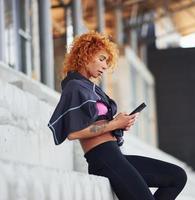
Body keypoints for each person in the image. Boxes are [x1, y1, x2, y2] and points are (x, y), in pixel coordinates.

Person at [48, 31, 187, 200]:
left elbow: (99, 124)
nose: (105, 66)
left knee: (177, 177)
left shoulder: (91, 89)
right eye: (101, 59)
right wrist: (114, 124)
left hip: (116, 156)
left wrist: (119, 124)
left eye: (106, 61)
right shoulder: (74, 87)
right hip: (103, 159)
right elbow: (73, 133)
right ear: (85, 55)